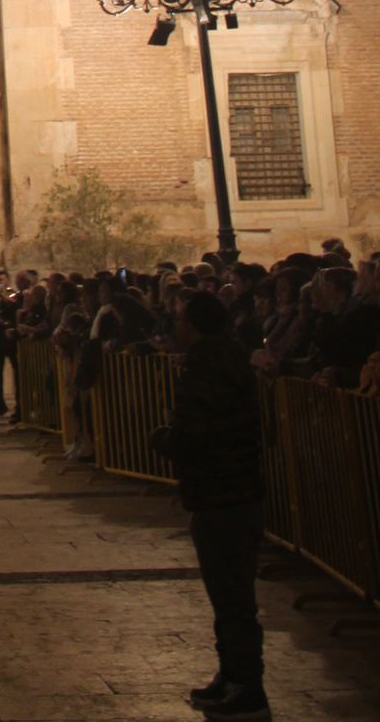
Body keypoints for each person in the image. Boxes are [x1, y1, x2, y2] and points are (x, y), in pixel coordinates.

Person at [151, 290, 267, 722]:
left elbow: (199, 433)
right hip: (228, 492)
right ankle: (233, 674)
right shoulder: (226, 358)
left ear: (195, 325)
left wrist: (164, 439)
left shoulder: (206, 367)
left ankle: (247, 686)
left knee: (233, 597)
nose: (175, 325)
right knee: (227, 598)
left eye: (180, 319)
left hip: (223, 495)